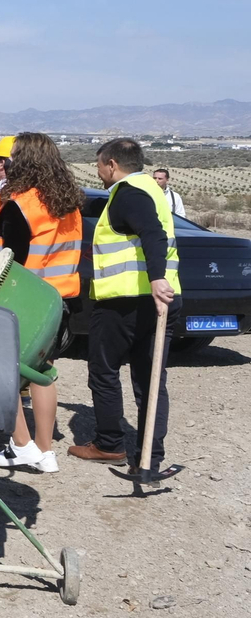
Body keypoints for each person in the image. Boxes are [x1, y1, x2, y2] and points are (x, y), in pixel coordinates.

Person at [69, 138, 180, 472]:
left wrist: (156, 278)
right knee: (150, 380)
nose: (98, 172)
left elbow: (152, 233)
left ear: (112, 164)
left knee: (104, 371)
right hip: (160, 300)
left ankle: (109, 444)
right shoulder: (152, 190)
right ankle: (150, 458)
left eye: (99, 166)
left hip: (125, 302)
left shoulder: (129, 194)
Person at [0, 133, 82, 474]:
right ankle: (45, 449)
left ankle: (22, 445)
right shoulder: (68, 202)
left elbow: (10, 259)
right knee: (43, 371)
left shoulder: (22, 204)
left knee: (1, 369)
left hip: (25, 300)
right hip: (61, 300)